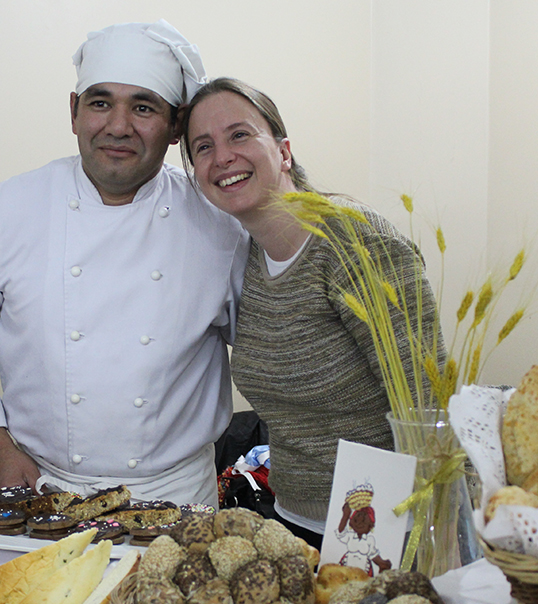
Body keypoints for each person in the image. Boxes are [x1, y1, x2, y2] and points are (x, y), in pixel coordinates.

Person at [0, 22, 248, 508]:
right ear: (74, 111)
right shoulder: (5, 209)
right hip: (43, 487)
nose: (118, 126)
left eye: (143, 107)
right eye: (100, 103)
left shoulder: (221, 226)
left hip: (177, 496)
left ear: (175, 125)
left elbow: (265, 349)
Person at [181, 78, 442, 547]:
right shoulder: (251, 259)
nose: (222, 157)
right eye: (203, 146)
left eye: (239, 135)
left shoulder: (353, 242)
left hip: (382, 526)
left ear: (283, 151)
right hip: (293, 522)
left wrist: (432, 535)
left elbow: (429, 405)